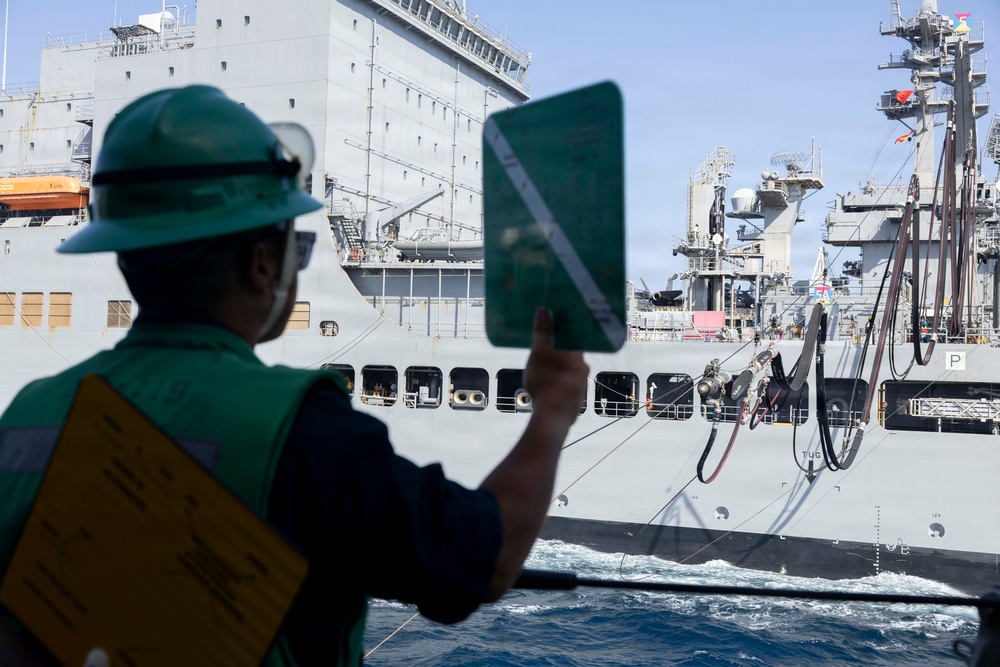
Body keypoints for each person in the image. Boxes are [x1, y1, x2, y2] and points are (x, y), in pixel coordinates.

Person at [0, 86, 589, 666]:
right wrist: (553, 408)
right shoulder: (303, 431)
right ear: (262, 264)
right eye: (295, 247)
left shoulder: (25, 417)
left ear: (124, 253)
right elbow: (483, 558)